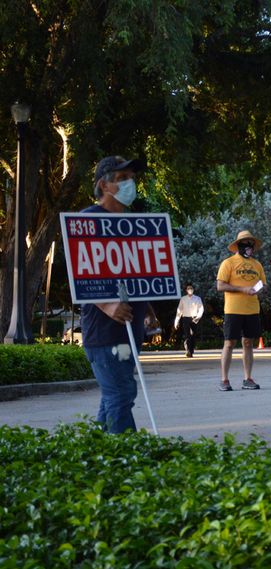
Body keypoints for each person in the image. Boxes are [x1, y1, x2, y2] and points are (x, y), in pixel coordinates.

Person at [81, 155, 148, 433]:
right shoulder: (87, 220)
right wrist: (107, 305)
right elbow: (79, 272)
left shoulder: (133, 224)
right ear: (103, 185)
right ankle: (127, 462)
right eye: (122, 179)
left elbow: (138, 274)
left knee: (113, 396)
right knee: (121, 394)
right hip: (105, 333)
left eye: (132, 178)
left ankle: (95, 457)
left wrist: (149, 311)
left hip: (130, 329)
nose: (130, 184)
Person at [216, 230, 266, 391]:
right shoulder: (228, 263)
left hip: (252, 310)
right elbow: (220, 285)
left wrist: (259, 289)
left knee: (248, 343)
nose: (250, 247)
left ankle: (248, 379)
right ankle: (224, 380)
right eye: (246, 244)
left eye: (252, 244)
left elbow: (263, 284)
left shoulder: (257, 264)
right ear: (239, 246)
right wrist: (242, 289)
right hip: (233, 310)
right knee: (229, 343)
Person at [174, 284, 204, 357]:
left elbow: (201, 309)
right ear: (186, 290)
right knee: (187, 335)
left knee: (193, 335)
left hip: (194, 318)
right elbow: (179, 310)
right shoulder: (183, 299)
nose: (190, 289)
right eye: (188, 288)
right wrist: (176, 321)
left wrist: (198, 317)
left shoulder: (197, 298)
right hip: (185, 318)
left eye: (191, 288)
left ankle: (191, 350)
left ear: (193, 289)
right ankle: (188, 351)